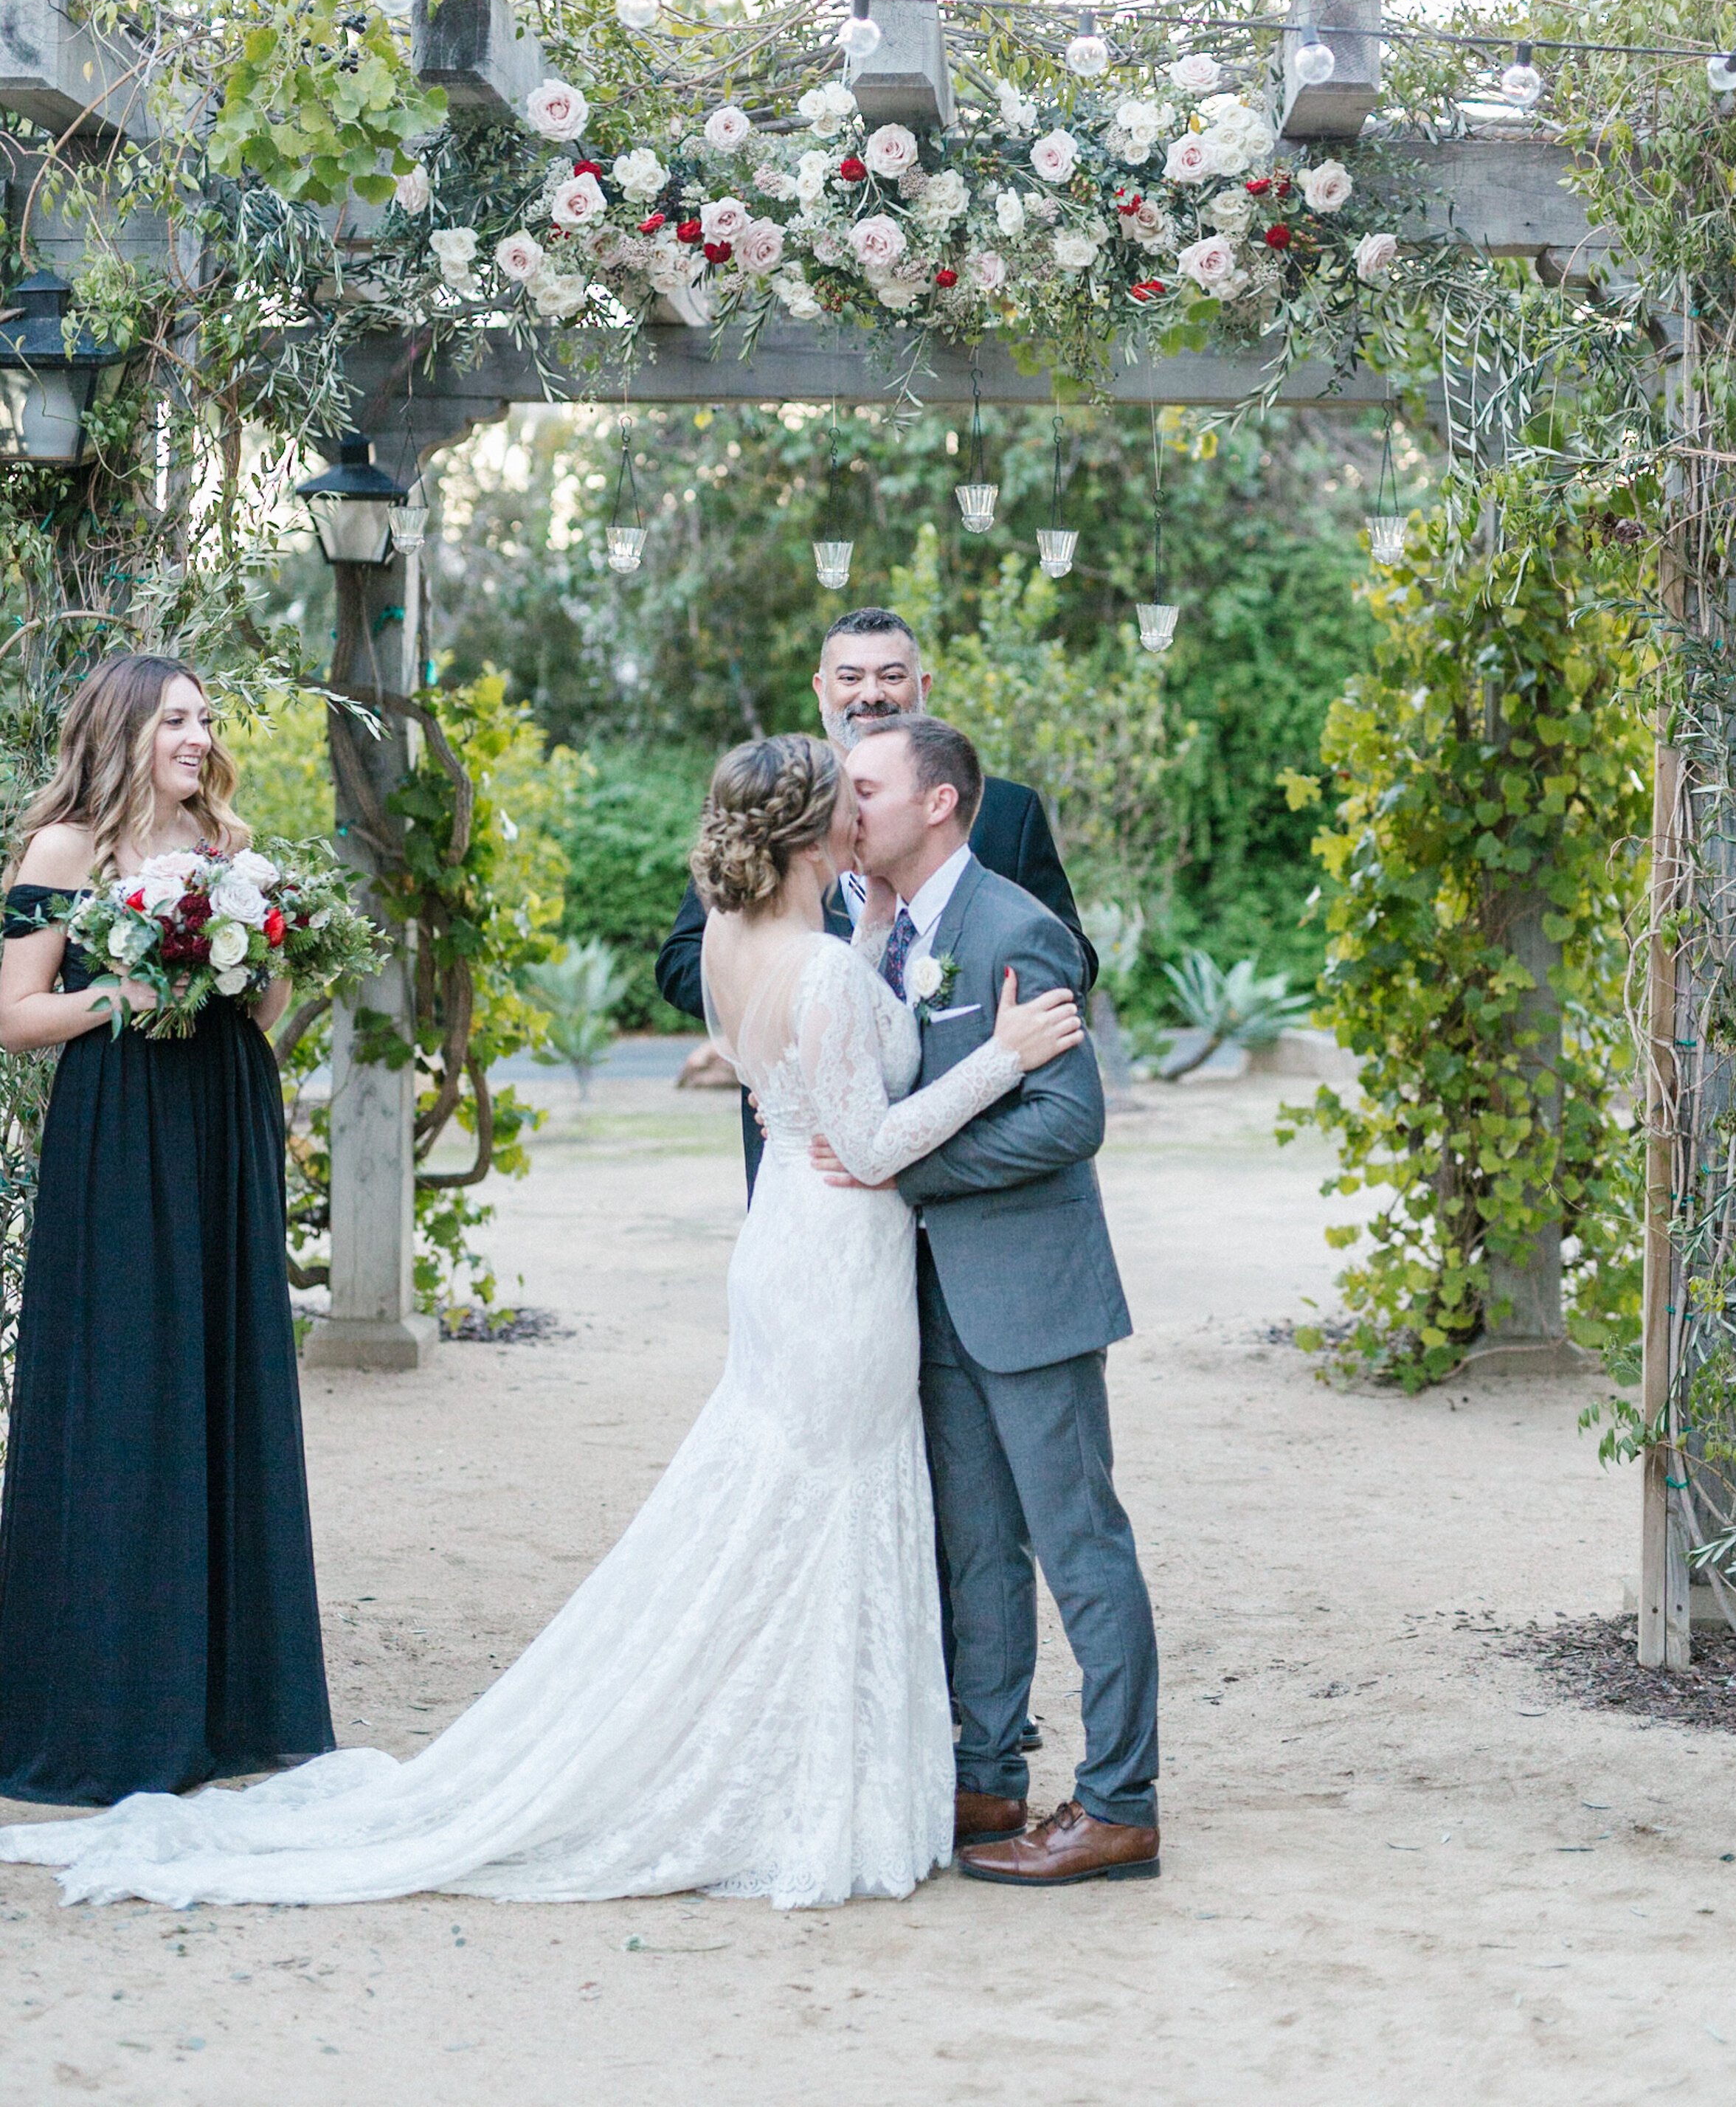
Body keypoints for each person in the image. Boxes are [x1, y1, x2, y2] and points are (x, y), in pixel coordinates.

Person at [0, 733, 1085, 1909]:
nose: (865, 824)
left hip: (790, 1251)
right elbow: (868, 1144)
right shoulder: (816, 968)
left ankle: (845, 1766)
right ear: (817, 833)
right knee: (827, 1508)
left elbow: (826, 1050)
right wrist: (1003, 1059)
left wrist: (871, 925)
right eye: (851, 808)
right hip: (836, 1264)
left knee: (785, 1507)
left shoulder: (746, 940)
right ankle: (823, 1786)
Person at [817, 715, 1161, 1886]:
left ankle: (1119, 1802)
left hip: (1029, 1293)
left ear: (938, 804)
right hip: (931, 1302)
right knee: (975, 1552)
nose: (843, 804)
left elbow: (1071, 1119)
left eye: (863, 787)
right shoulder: (886, 928)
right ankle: (988, 1778)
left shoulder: (1015, 926)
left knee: (1079, 1545)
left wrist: (905, 1169)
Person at [0, 653, 333, 1807]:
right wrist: (129, 992)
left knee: (226, 1378)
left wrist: (253, 951)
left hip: (222, 1121)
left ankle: (236, 1702)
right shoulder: (65, 851)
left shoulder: (234, 845)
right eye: (177, 718)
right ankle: (105, 1702)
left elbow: (272, 1004)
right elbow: (14, 1012)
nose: (198, 735)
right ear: (126, 728)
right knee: (131, 1384)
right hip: (123, 1131)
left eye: (205, 717)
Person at [655, 606, 1096, 1197]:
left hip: (966, 1149)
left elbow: (1068, 955)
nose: (871, 695)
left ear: (923, 687)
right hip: (818, 1157)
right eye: (850, 677)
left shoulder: (1003, 811)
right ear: (821, 690)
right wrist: (793, 1038)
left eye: (891, 676)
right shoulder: (776, 812)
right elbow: (684, 959)